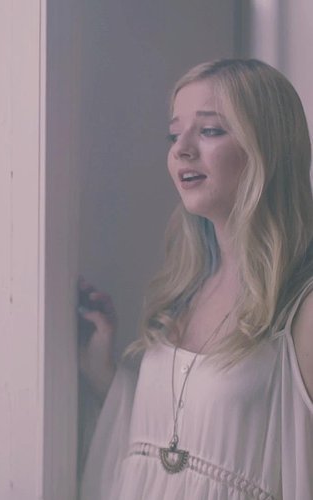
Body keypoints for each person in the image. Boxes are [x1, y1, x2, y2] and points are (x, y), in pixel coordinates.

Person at [78, 59, 313, 500]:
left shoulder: (301, 307)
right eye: (174, 135)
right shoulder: (185, 289)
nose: (181, 150)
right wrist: (102, 374)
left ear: (269, 148)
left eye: (209, 130)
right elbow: (162, 453)